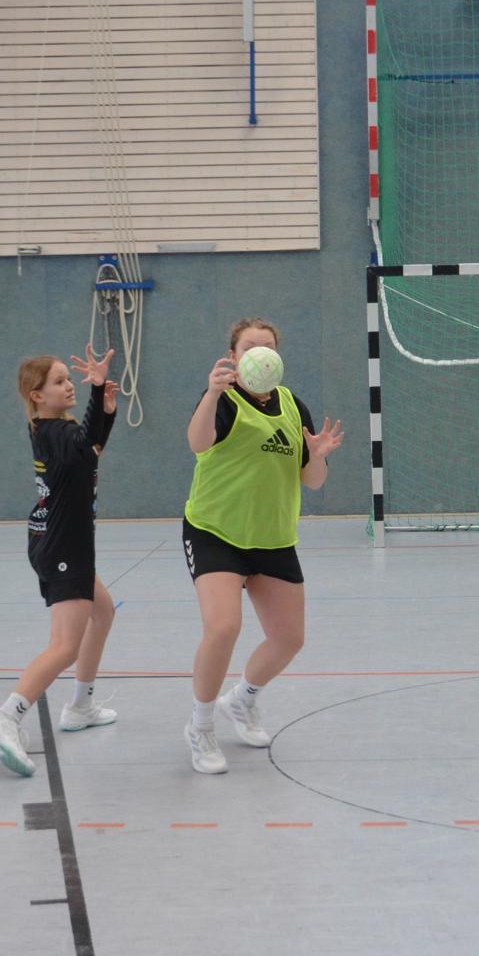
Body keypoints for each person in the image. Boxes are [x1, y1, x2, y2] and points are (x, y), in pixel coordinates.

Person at [181, 318, 343, 774]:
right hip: (215, 531)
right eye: (250, 346)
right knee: (223, 628)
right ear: (233, 356)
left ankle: (242, 699)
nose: (260, 352)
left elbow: (312, 481)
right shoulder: (223, 399)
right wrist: (211, 394)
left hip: (272, 538)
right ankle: (200, 725)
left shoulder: (292, 405)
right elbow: (198, 444)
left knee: (289, 638)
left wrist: (317, 456)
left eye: (268, 346)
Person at [0, 347, 120, 776]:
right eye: (59, 381)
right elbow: (83, 445)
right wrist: (97, 392)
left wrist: (106, 412)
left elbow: (89, 451)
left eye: (68, 379)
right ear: (36, 396)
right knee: (64, 646)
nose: (68, 385)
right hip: (64, 548)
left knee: (103, 612)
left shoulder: (57, 429)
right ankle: (8, 715)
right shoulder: (56, 432)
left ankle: (81, 706)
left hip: (62, 543)